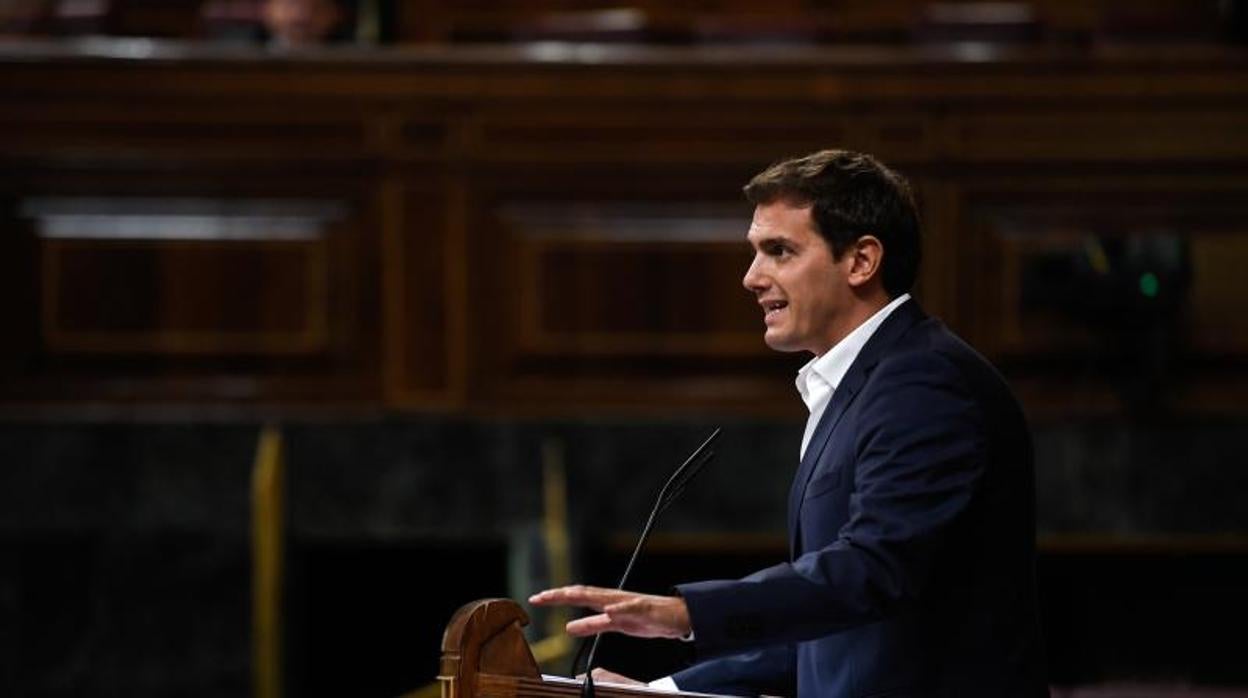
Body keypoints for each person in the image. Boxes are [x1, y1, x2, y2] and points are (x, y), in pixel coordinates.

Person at [530, 149, 1048, 697]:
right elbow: (823, 637)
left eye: (779, 251)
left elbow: (872, 573)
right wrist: (661, 692)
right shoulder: (866, 384)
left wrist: (689, 613)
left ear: (861, 261)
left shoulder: (925, 386)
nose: (752, 278)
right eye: (756, 253)